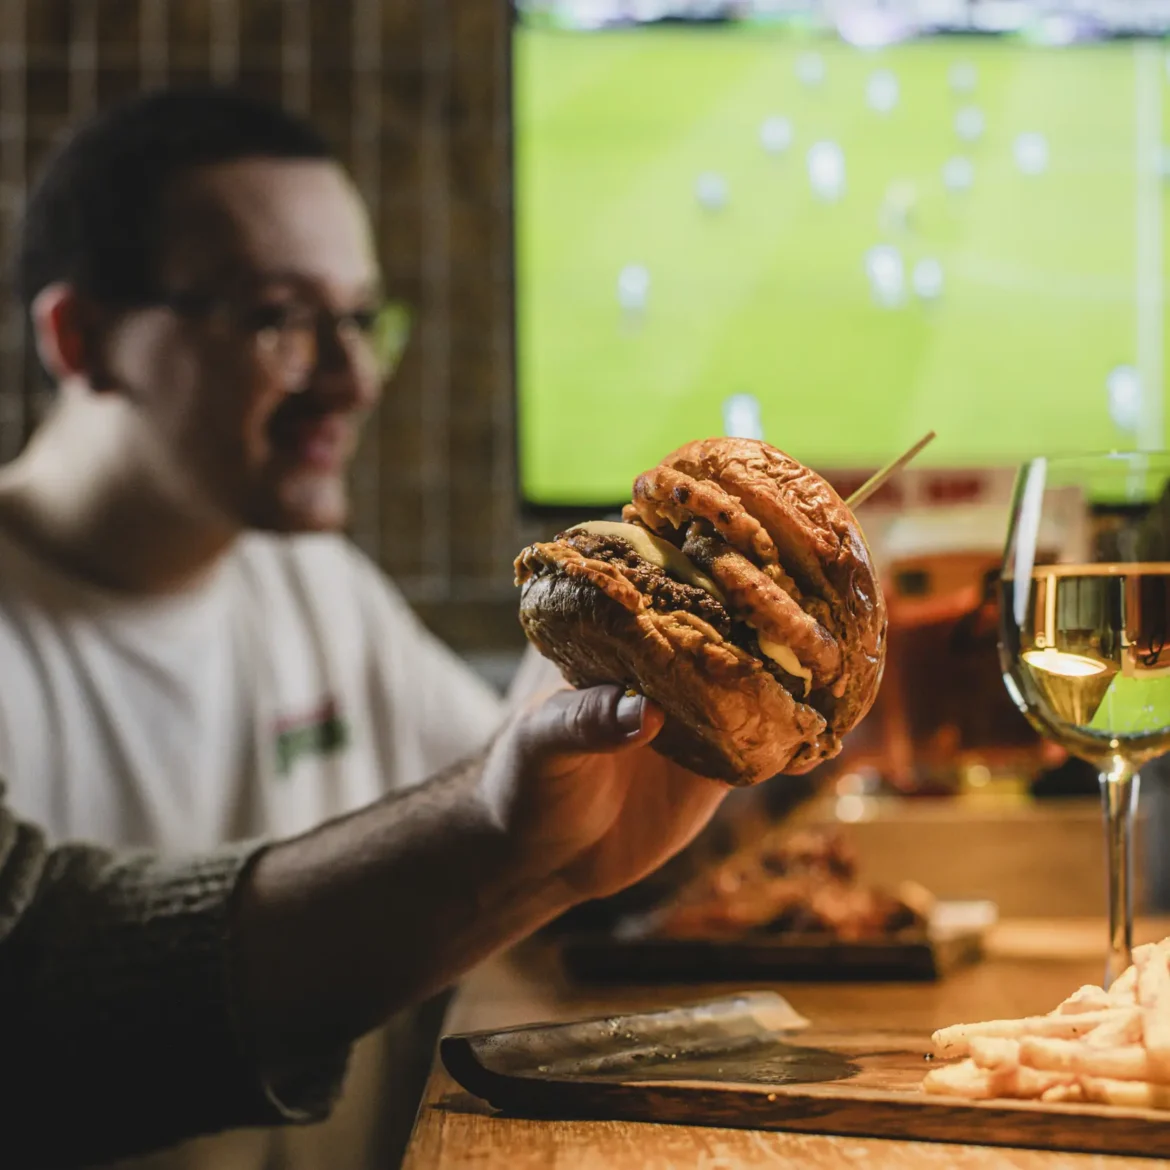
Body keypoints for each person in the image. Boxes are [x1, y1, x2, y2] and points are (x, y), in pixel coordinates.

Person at [0, 84, 594, 1169]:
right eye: (277, 318)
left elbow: (556, 843)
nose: (354, 380)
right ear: (81, 338)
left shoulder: (317, 584)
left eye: (361, 320)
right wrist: (501, 834)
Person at [0, 683, 728, 1168]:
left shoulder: (316, 572)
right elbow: (28, 992)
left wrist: (536, 862)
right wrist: (511, 853)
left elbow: (561, 784)